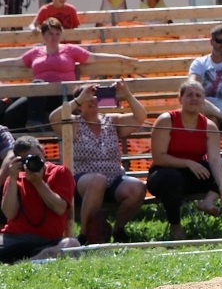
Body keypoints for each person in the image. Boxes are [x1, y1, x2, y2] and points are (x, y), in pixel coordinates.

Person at [146, 80, 222, 241]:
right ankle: (175, 226)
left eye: (198, 95)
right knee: (170, 178)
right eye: (189, 95)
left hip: (197, 174)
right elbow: (159, 157)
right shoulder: (166, 120)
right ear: (180, 99)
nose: (194, 98)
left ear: (203, 100)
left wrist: (221, 183)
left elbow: (215, 159)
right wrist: (188, 163)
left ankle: (208, 201)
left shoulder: (209, 126)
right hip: (166, 172)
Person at [48, 81, 149, 244]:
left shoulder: (111, 121)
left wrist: (128, 96)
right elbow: (53, 118)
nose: (93, 99)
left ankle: (118, 230)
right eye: (88, 97)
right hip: (82, 181)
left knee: (138, 187)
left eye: (95, 96)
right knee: (98, 180)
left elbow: (140, 117)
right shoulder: (73, 123)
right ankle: (84, 234)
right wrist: (78, 100)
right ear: (80, 104)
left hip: (114, 178)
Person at [0, 18, 138, 131]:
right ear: (43, 35)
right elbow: (15, 62)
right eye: (50, 34)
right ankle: (27, 141)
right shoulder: (35, 52)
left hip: (63, 96)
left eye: (57, 33)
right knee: (11, 114)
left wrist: (120, 58)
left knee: (37, 85)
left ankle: (36, 122)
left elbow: (94, 57)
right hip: (39, 97)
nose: (54, 37)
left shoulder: (70, 50)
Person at [0, 136, 79, 264]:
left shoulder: (60, 173)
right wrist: (13, 178)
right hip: (14, 238)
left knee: (72, 243)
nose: (34, 161)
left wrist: (38, 182)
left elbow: (59, 208)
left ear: (43, 153)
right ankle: (35, 260)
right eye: (28, 159)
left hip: (47, 241)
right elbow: (9, 213)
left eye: (36, 156)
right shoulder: (14, 178)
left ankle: (28, 262)